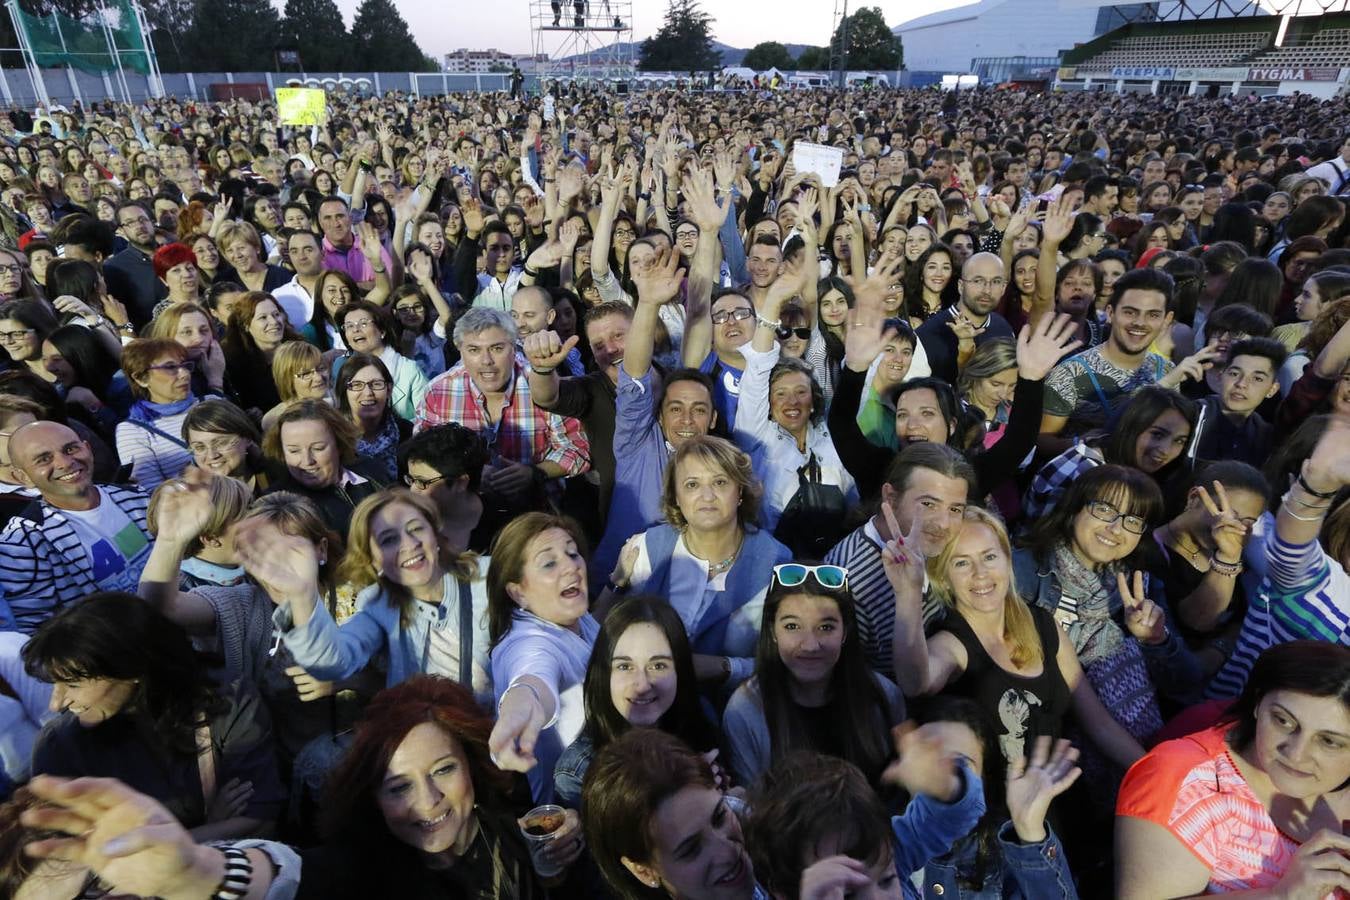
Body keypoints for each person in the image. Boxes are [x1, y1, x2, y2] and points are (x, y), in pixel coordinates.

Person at [13, 676, 555, 899]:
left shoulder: (517, 827)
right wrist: (200, 872)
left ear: (471, 765)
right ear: (369, 796)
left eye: (443, 770)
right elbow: (294, 874)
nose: (428, 802)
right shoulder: (360, 870)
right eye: (397, 787)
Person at [888, 503, 1146, 771]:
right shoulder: (951, 643)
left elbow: (1100, 725)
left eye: (989, 557)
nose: (980, 573)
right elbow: (915, 683)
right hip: (997, 797)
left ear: (1007, 559)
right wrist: (908, 593)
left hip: (1062, 790)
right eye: (962, 562)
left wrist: (1155, 772)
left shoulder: (1043, 624)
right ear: (944, 577)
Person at [23, 591, 284, 840]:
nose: (56, 704)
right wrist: (209, 829)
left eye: (73, 685)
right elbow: (71, 856)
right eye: (55, 684)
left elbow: (259, 819)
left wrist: (148, 840)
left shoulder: (224, 700)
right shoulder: (59, 746)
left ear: (131, 670)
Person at [1116, 640, 1350, 898]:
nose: (1296, 754)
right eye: (1283, 720)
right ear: (1258, 702)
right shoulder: (1184, 782)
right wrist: (1279, 896)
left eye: (1329, 741)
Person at [615, 436, 790, 691]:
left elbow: (788, 663)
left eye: (720, 482)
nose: (707, 496)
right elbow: (617, 643)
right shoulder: (647, 550)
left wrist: (725, 668)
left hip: (735, 705)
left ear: (740, 492)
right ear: (676, 496)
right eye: (692, 484)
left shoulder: (777, 563)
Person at [722, 562, 904, 788]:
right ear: (772, 631)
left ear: (845, 632)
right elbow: (749, 804)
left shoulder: (883, 696)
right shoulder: (744, 711)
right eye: (792, 626)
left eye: (826, 627)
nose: (810, 645)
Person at [416, 307, 590, 520]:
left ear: (514, 347)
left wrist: (535, 472)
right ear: (459, 349)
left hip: (538, 515)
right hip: (462, 518)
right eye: (474, 350)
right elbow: (422, 458)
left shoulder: (541, 384)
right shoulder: (438, 392)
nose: (486, 360)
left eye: (497, 348)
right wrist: (466, 473)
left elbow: (578, 448)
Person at [553, 594, 719, 810]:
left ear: (680, 670)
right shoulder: (578, 772)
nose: (642, 685)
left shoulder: (702, 719)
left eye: (658, 666)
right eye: (624, 666)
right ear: (603, 674)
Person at [486, 512, 598, 802]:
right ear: (518, 593)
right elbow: (531, 677)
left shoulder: (576, 616)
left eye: (572, 553)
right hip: (573, 812)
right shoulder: (527, 643)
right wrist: (520, 708)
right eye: (549, 563)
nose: (571, 567)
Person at [0, 420, 151, 633]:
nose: (65, 463)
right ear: (22, 477)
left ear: (88, 449)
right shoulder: (23, 545)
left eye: (71, 449)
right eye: (44, 459)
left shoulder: (135, 496)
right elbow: (34, 635)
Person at [262, 399, 385, 535]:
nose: (307, 460)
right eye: (294, 451)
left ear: (339, 444)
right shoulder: (278, 506)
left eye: (318, 448)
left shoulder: (371, 470)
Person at [916, 251, 1016, 385]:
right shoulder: (927, 334)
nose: (987, 290)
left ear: (1003, 288)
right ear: (961, 286)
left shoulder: (1004, 329)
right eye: (978, 281)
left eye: (996, 282)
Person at [114, 337, 199, 492]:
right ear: (141, 379)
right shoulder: (134, 430)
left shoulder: (213, 402)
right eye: (170, 367)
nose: (184, 374)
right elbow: (152, 493)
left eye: (184, 365)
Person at [333, 300, 428, 421]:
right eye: (349, 326)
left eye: (363, 323)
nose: (355, 329)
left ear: (382, 331)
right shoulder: (340, 366)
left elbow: (427, 418)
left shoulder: (409, 369)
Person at [183, 398, 281, 497]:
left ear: (247, 437)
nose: (212, 455)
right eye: (200, 447)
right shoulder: (191, 499)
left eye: (221, 443)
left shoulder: (281, 476)